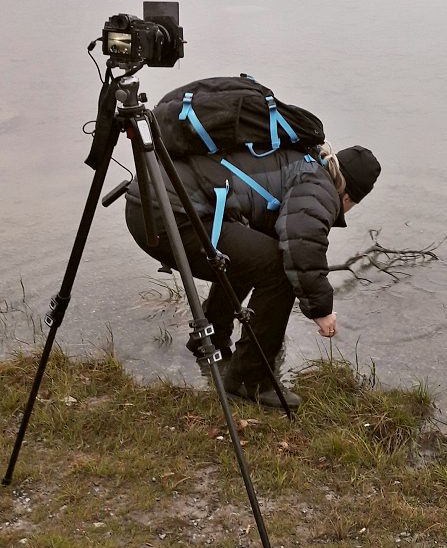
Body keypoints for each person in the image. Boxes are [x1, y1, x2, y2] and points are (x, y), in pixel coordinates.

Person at [125, 139, 381, 410]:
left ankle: (209, 339)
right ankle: (251, 379)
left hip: (148, 201)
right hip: (171, 217)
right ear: (348, 197)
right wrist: (321, 308)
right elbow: (300, 248)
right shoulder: (320, 189)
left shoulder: (300, 161)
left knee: (255, 254)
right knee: (280, 271)